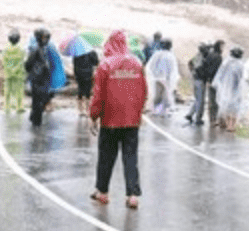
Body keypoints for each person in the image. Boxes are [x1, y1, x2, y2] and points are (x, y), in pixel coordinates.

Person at [88, 29, 148, 209]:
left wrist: (93, 116)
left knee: (106, 156)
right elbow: (143, 92)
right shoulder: (137, 64)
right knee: (130, 157)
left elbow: (98, 95)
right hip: (131, 120)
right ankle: (132, 195)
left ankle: (102, 192)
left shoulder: (105, 65)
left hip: (110, 119)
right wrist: (139, 113)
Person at [25, 27, 65, 127]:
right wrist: (35, 72)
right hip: (38, 79)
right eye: (44, 38)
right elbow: (27, 64)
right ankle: (36, 121)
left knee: (39, 100)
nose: (46, 40)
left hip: (43, 79)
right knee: (37, 101)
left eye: (47, 38)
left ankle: (34, 117)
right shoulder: (36, 50)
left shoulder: (45, 49)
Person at [211, 46, 245, 131]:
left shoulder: (226, 62)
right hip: (236, 88)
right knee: (234, 108)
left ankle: (225, 123)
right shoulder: (240, 64)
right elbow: (243, 78)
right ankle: (231, 126)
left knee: (226, 106)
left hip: (225, 88)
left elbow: (219, 75)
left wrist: (218, 85)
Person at [144, 38, 179, 117]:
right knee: (166, 95)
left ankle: (155, 110)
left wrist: (153, 75)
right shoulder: (171, 56)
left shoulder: (157, 54)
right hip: (166, 79)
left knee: (157, 95)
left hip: (157, 78)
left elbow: (150, 66)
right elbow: (173, 69)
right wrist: (172, 78)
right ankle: (164, 111)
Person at [185, 43, 212, 125]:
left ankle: (190, 114)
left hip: (195, 79)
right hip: (200, 81)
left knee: (197, 99)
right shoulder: (204, 58)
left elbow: (190, 63)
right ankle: (198, 118)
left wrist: (192, 72)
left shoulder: (197, 56)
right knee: (200, 101)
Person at [2, 29, 26, 114]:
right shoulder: (21, 49)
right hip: (18, 73)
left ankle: (6, 106)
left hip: (8, 73)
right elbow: (22, 61)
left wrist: (9, 69)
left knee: (7, 90)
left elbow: (3, 60)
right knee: (19, 91)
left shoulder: (6, 48)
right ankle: (19, 107)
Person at [73, 44, 100, 116]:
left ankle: (80, 110)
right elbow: (96, 63)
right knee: (88, 92)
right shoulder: (91, 52)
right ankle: (87, 110)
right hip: (88, 74)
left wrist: (75, 75)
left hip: (79, 75)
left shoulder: (76, 53)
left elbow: (74, 65)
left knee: (80, 91)